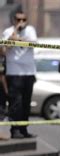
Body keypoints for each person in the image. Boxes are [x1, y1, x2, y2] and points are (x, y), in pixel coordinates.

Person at [2, 9, 37, 139]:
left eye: (23, 20)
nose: (21, 22)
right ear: (13, 20)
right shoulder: (7, 32)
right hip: (14, 72)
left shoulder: (30, 30)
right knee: (16, 102)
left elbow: (32, 42)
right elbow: (6, 48)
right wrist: (14, 32)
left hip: (29, 72)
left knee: (26, 103)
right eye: (18, 20)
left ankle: (24, 129)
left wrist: (19, 39)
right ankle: (15, 129)